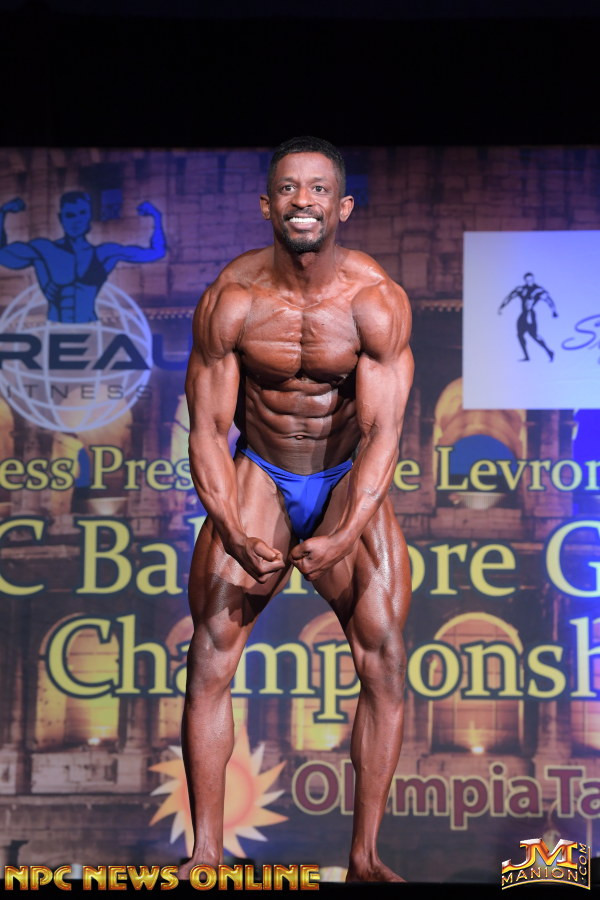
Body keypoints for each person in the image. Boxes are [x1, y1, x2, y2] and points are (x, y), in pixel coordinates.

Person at [182, 136, 413, 883]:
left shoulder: (375, 301)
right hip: (262, 471)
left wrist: (346, 529)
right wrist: (229, 524)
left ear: (343, 207)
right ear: (267, 205)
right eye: (288, 189)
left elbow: (383, 434)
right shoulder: (232, 298)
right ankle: (206, 852)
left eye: (318, 189)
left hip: (345, 477)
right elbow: (208, 429)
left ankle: (365, 856)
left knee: (384, 656)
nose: (302, 201)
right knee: (211, 652)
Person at [0, 192, 166, 322]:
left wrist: (157, 218)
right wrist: (2, 213)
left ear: (89, 216)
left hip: (91, 326)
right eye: (70, 215)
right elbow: (3, 255)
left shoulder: (104, 253)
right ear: (61, 218)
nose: (77, 221)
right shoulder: (45, 250)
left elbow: (156, 252)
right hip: (52, 327)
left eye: (82, 213)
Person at [498, 272, 558, 361]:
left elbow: (548, 300)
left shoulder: (538, 290)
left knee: (534, 335)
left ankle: (549, 351)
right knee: (520, 335)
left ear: (533, 279)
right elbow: (510, 297)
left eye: (531, 280)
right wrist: (502, 307)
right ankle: (526, 356)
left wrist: (554, 311)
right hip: (523, 315)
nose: (529, 281)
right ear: (525, 280)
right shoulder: (521, 289)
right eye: (527, 280)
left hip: (530, 315)